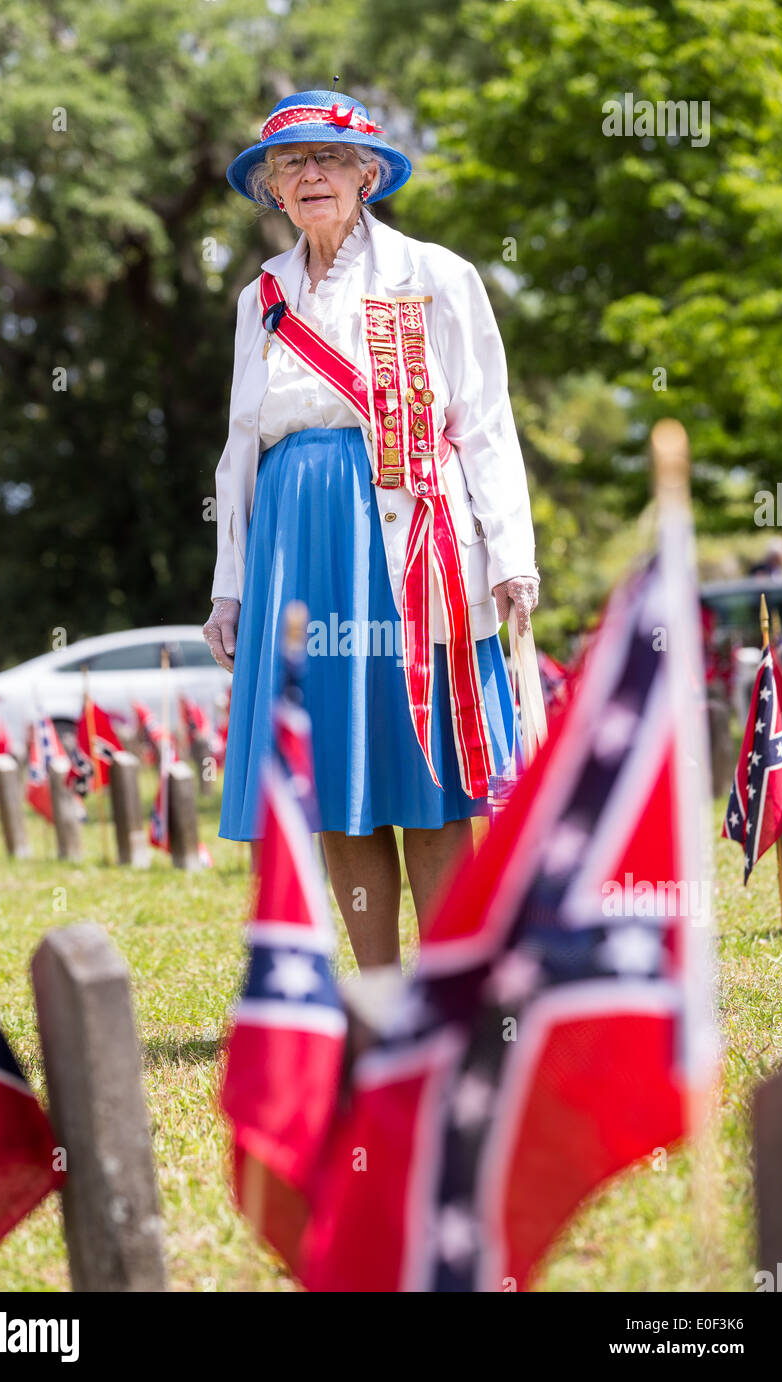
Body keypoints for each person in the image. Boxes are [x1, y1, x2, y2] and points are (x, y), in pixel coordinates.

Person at [203, 88, 539, 968]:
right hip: (293, 536)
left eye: (328, 159)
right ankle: (381, 992)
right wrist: (230, 586)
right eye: (290, 163)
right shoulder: (261, 297)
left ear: (368, 175)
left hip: (406, 542)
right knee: (336, 779)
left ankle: (450, 986)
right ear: (273, 189)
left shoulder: (435, 275)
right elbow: (239, 445)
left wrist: (510, 554)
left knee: (426, 777)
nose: (310, 175)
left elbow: (485, 422)